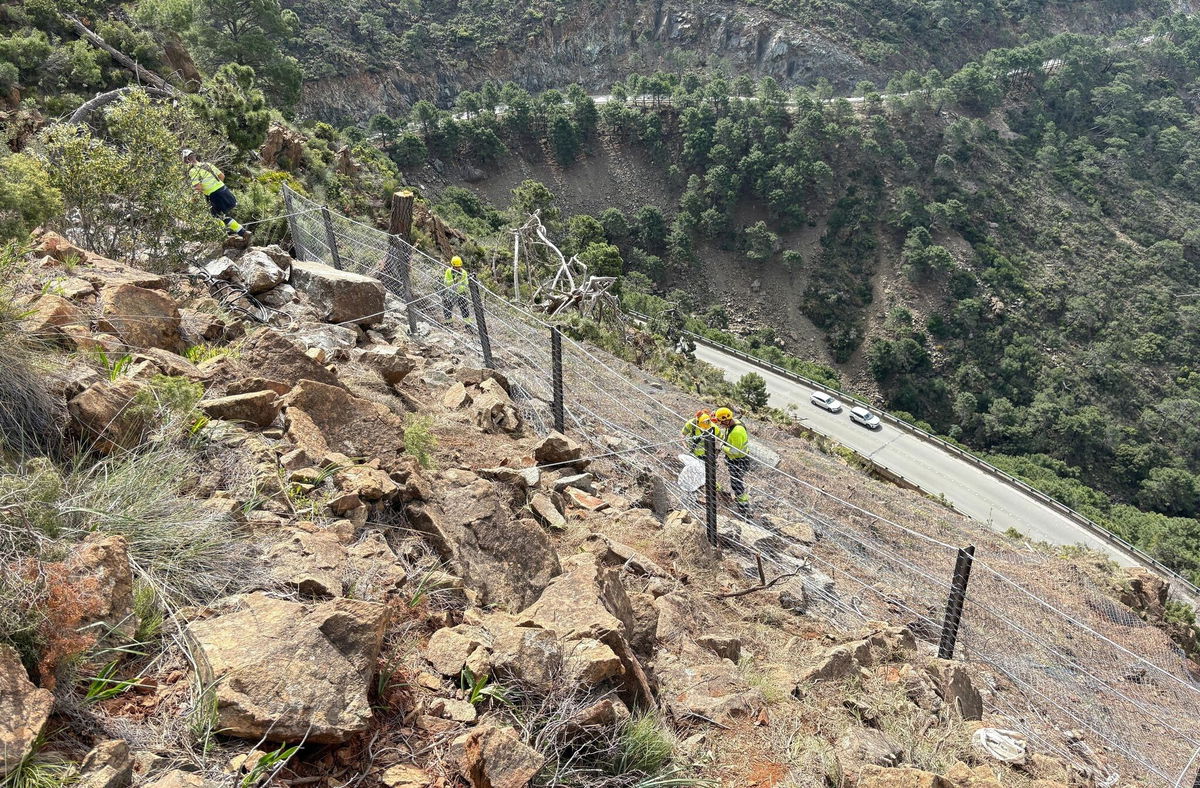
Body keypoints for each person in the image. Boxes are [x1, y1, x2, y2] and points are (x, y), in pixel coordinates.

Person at [184, 150, 249, 240]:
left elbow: (198, 187)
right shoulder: (208, 164)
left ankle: (234, 234)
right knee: (221, 215)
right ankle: (237, 233)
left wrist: (192, 198)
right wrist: (217, 186)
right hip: (224, 190)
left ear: (187, 160)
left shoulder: (193, 171)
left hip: (214, 195)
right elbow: (222, 176)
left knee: (218, 217)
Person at [712, 407, 751, 514]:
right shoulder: (735, 423)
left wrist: (722, 447)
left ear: (726, 420)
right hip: (736, 460)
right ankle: (742, 503)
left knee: (736, 484)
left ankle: (744, 507)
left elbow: (735, 451)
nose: (721, 425)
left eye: (721, 423)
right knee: (736, 482)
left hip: (739, 461)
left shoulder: (736, 432)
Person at [442, 256, 471, 322]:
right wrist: (454, 281)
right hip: (450, 293)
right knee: (447, 306)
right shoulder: (448, 271)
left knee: (464, 308)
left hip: (461, 293)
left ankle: (467, 323)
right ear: (452, 265)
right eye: (456, 267)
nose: (457, 268)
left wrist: (458, 287)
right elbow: (446, 282)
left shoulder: (463, 273)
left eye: (459, 266)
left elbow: (466, 284)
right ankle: (448, 322)